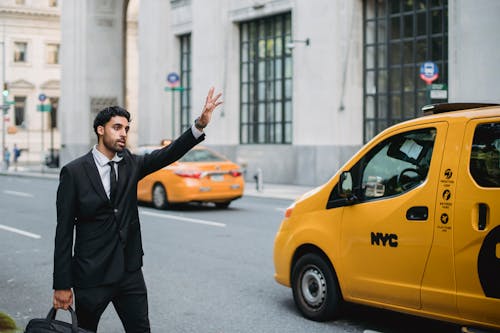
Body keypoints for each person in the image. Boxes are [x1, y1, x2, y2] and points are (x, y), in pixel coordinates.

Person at [52, 87, 222, 332]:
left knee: (141, 329)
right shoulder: (74, 172)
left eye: (126, 129)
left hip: (129, 273)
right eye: (117, 127)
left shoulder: (132, 164)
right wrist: (62, 284)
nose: (124, 134)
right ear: (100, 130)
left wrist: (199, 125)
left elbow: (168, 153)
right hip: (91, 276)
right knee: (85, 330)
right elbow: (64, 232)